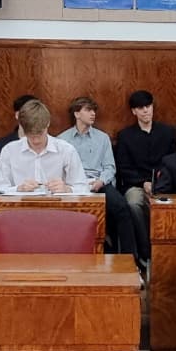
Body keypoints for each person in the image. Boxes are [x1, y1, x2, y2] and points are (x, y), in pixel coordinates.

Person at [58, 96, 142, 262]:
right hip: (73, 185)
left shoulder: (102, 138)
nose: (93, 114)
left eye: (94, 110)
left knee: (122, 208)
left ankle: (129, 260)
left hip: (99, 183)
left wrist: (101, 181)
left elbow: (110, 167)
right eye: (88, 110)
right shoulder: (62, 140)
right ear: (77, 114)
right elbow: (59, 170)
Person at [114, 90, 176, 261]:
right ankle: (145, 252)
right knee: (133, 203)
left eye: (148, 106)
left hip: (164, 184)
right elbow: (123, 168)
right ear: (134, 111)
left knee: (172, 206)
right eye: (140, 108)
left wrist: (160, 183)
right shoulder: (125, 136)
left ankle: (167, 255)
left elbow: (173, 162)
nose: (145, 110)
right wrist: (144, 183)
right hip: (136, 185)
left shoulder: (167, 132)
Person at [0, 99, 87, 193]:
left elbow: (83, 188)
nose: (36, 141)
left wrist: (67, 189)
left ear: (48, 123)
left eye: (40, 134)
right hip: (20, 202)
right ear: (22, 127)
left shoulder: (66, 150)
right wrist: (19, 189)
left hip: (57, 202)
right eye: (30, 135)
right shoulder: (9, 151)